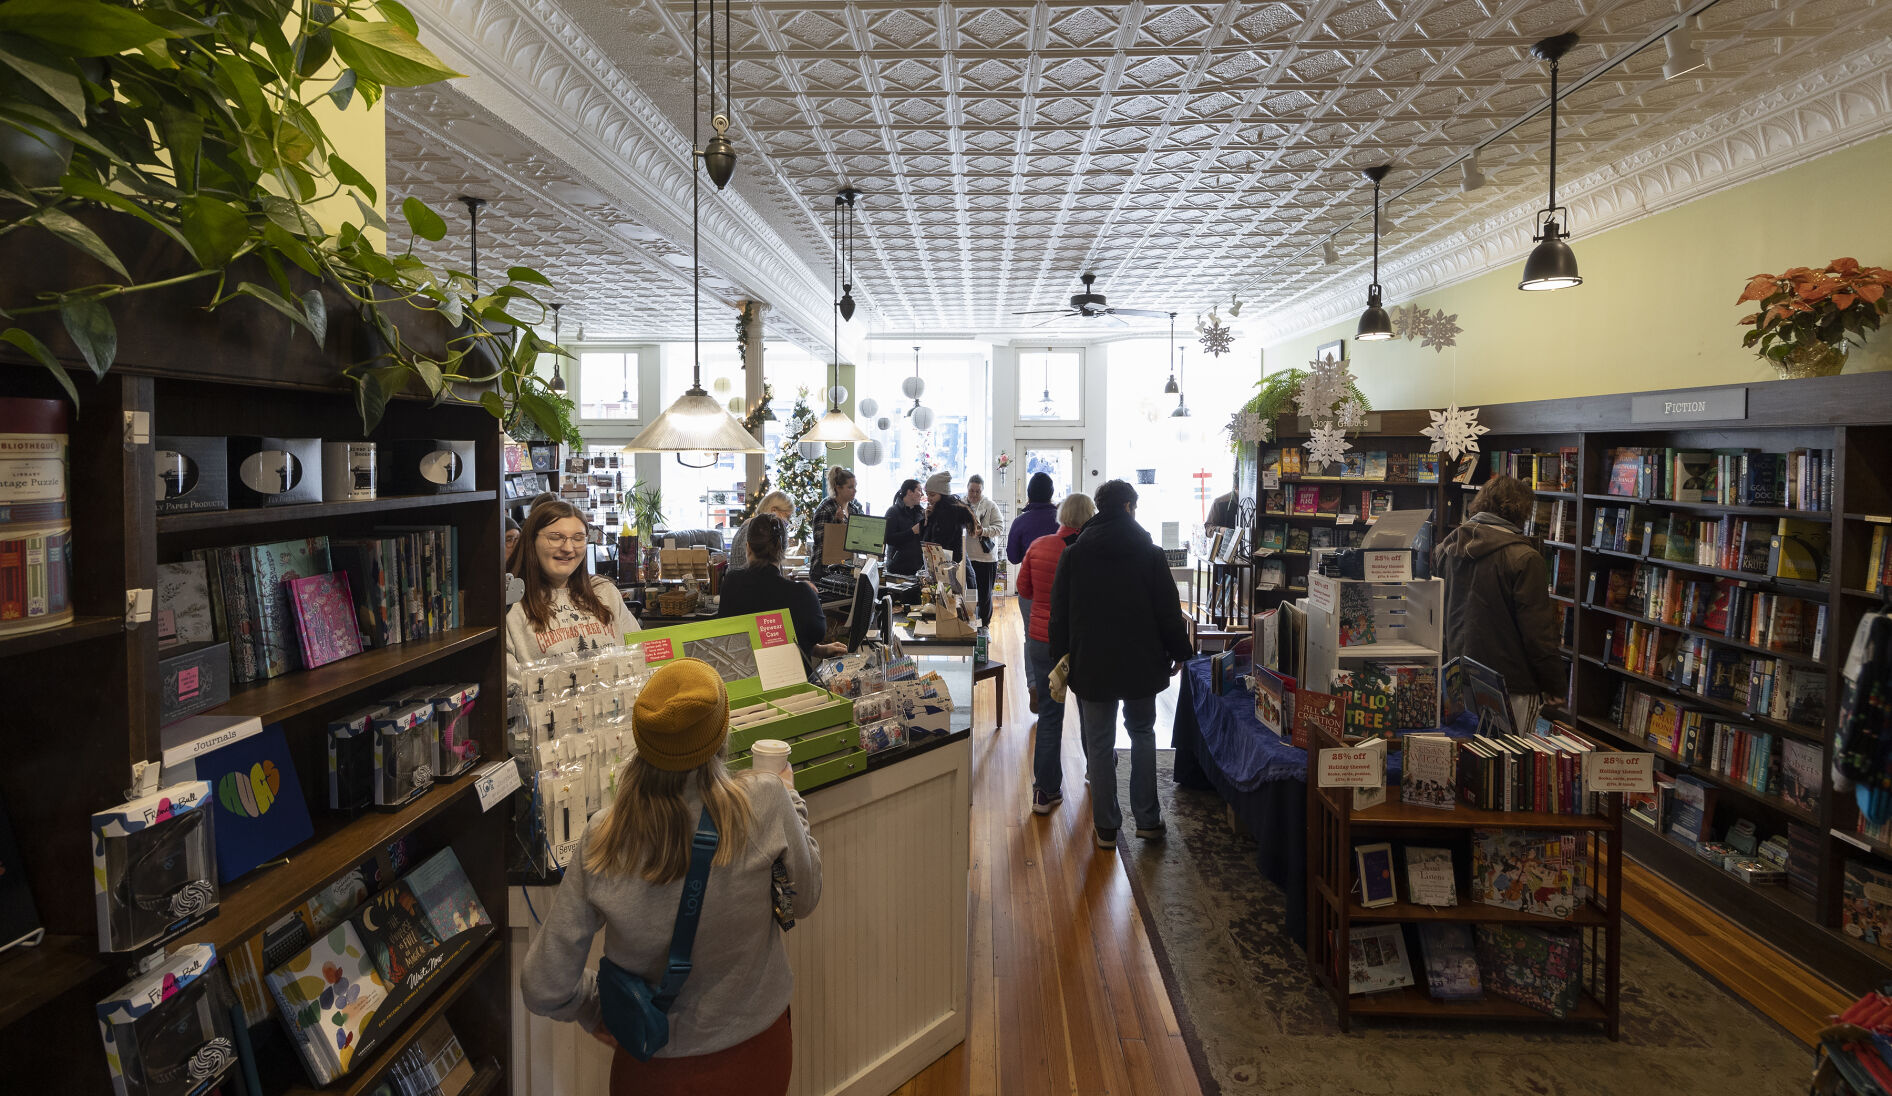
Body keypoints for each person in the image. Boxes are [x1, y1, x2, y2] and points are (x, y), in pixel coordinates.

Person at [521, 657, 823, 1096]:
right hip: (757, 1053)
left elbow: (542, 984)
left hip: (651, 1064)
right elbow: (807, 896)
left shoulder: (603, 837)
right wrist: (792, 798)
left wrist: (596, 1008)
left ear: (640, 740)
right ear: (721, 734)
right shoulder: (765, 801)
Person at [1048, 479, 1192, 849]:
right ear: (1129, 507)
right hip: (1142, 661)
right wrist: (1181, 651)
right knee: (1143, 732)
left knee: (1099, 742)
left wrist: (1059, 659)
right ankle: (1147, 819)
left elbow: (1059, 615)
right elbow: (1168, 611)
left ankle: (1106, 827)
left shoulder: (1074, 553)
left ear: (1099, 508)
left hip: (1091, 662)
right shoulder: (1150, 552)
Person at [1433, 474, 1564, 732]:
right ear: (1521, 511)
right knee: (1508, 762)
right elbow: (1538, 634)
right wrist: (1554, 684)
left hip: (1460, 675)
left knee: (1469, 758)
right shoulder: (1525, 558)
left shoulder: (1448, 548)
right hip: (1511, 683)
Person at [1014, 492, 1095, 815]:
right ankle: (1097, 773)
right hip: (1082, 641)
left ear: (1062, 515)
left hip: (1042, 639)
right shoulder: (1090, 551)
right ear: (1089, 516)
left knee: (1050, 715)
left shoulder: (1039, 545)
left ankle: (1044, 792)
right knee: (1092, 711)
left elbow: (1025, 590)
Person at [505, 500, 640, 688]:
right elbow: (510, 689)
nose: (568, 548)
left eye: (578, 538)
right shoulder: (511, 604)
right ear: (531, 541)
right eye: (556, 537)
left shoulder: (605, 592)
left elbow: (639, 657)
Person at [718, 514, 847, 663]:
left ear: (748, 547)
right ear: (782, 549)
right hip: (789, 681)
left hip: (743, 678)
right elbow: (814, 635)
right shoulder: (801, 594)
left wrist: (820, 650)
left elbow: (752, 640)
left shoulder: (731, 582)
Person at [1006, 472, 1059, 627]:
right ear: (1051, 493)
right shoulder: (1062, 519)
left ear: (1029, 493)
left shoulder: (1020, 521)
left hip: (1031, 586)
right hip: (1059, 587)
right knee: (1058, 636)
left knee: (1031, 636)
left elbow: (1013, 557)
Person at [964, 474, 1004, 628]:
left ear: (982, 491)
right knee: (969, 595)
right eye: (971, 491)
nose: (974, 494)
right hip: (966, 557)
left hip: (986, 558)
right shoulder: (961, 504)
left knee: (985, 595)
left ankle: (984, 626)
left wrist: (982, 531)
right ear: (967, 488)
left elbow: (999, 528)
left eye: (977, 491)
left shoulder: (990, 505)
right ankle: (970, 624)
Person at [809, 467, 862, 578]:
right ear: (838, 488)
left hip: (847, 569)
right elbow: (820, 540)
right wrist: (838, 524)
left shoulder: (854, 509)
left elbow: (858, 538)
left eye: (855, 486)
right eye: (850, 487)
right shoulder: (826, 509)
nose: (855, 490)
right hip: (823, 570)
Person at [728, 491, 793, 573]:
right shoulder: (754, 531)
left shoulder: (750, 527)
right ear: (773, 511)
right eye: (787, 516)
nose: (787, 522)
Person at [921, 471, 975, 564]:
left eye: (932, 495)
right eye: (927, 494)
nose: (929, 498)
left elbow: (941, 544)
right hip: (947, 565)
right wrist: (926, 520)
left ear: (943, 494)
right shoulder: (935, 512)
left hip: (952, 568)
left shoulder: (949, 514)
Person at [885, 479, 926, 575]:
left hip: (918, 569)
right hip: (898, 569)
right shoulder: (893, 512)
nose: (922, 494)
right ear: (909, 492)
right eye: (919, 490)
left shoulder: (921, 512)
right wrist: (911, 532)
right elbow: (888, 538)